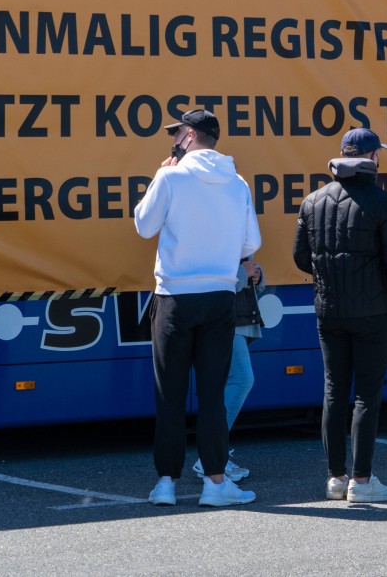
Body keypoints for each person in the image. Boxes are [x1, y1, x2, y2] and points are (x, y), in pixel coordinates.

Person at [134, 109, 261, 507]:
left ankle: (166, 484)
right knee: (212, 394)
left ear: (189, 135)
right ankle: (215, 482)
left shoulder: (170, 176)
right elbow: (248, 244)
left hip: (173, 296)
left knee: (169, 393)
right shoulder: (238, 182)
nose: (173, 139)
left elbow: (144, 225)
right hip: (220, 297)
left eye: (177, 133)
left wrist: (160, 176)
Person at [293, 127, 387, 503]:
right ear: (372, 158)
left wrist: (332, 276)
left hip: (328, 311)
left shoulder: (312, 201)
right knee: (367, 396)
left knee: (334, 393)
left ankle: (335, 478)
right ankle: (362, 482)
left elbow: (300, 257)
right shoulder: (382, 203)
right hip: (372, 312)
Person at [192, 258, 264, 484]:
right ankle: (211, 458)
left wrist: (257, 274)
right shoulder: (215, 236)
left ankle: (215, 456)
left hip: (237, 318)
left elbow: (244, 273)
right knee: (242, 380)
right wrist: (244, 273)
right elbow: (212, 286)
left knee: (232, 383)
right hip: (225, 320)